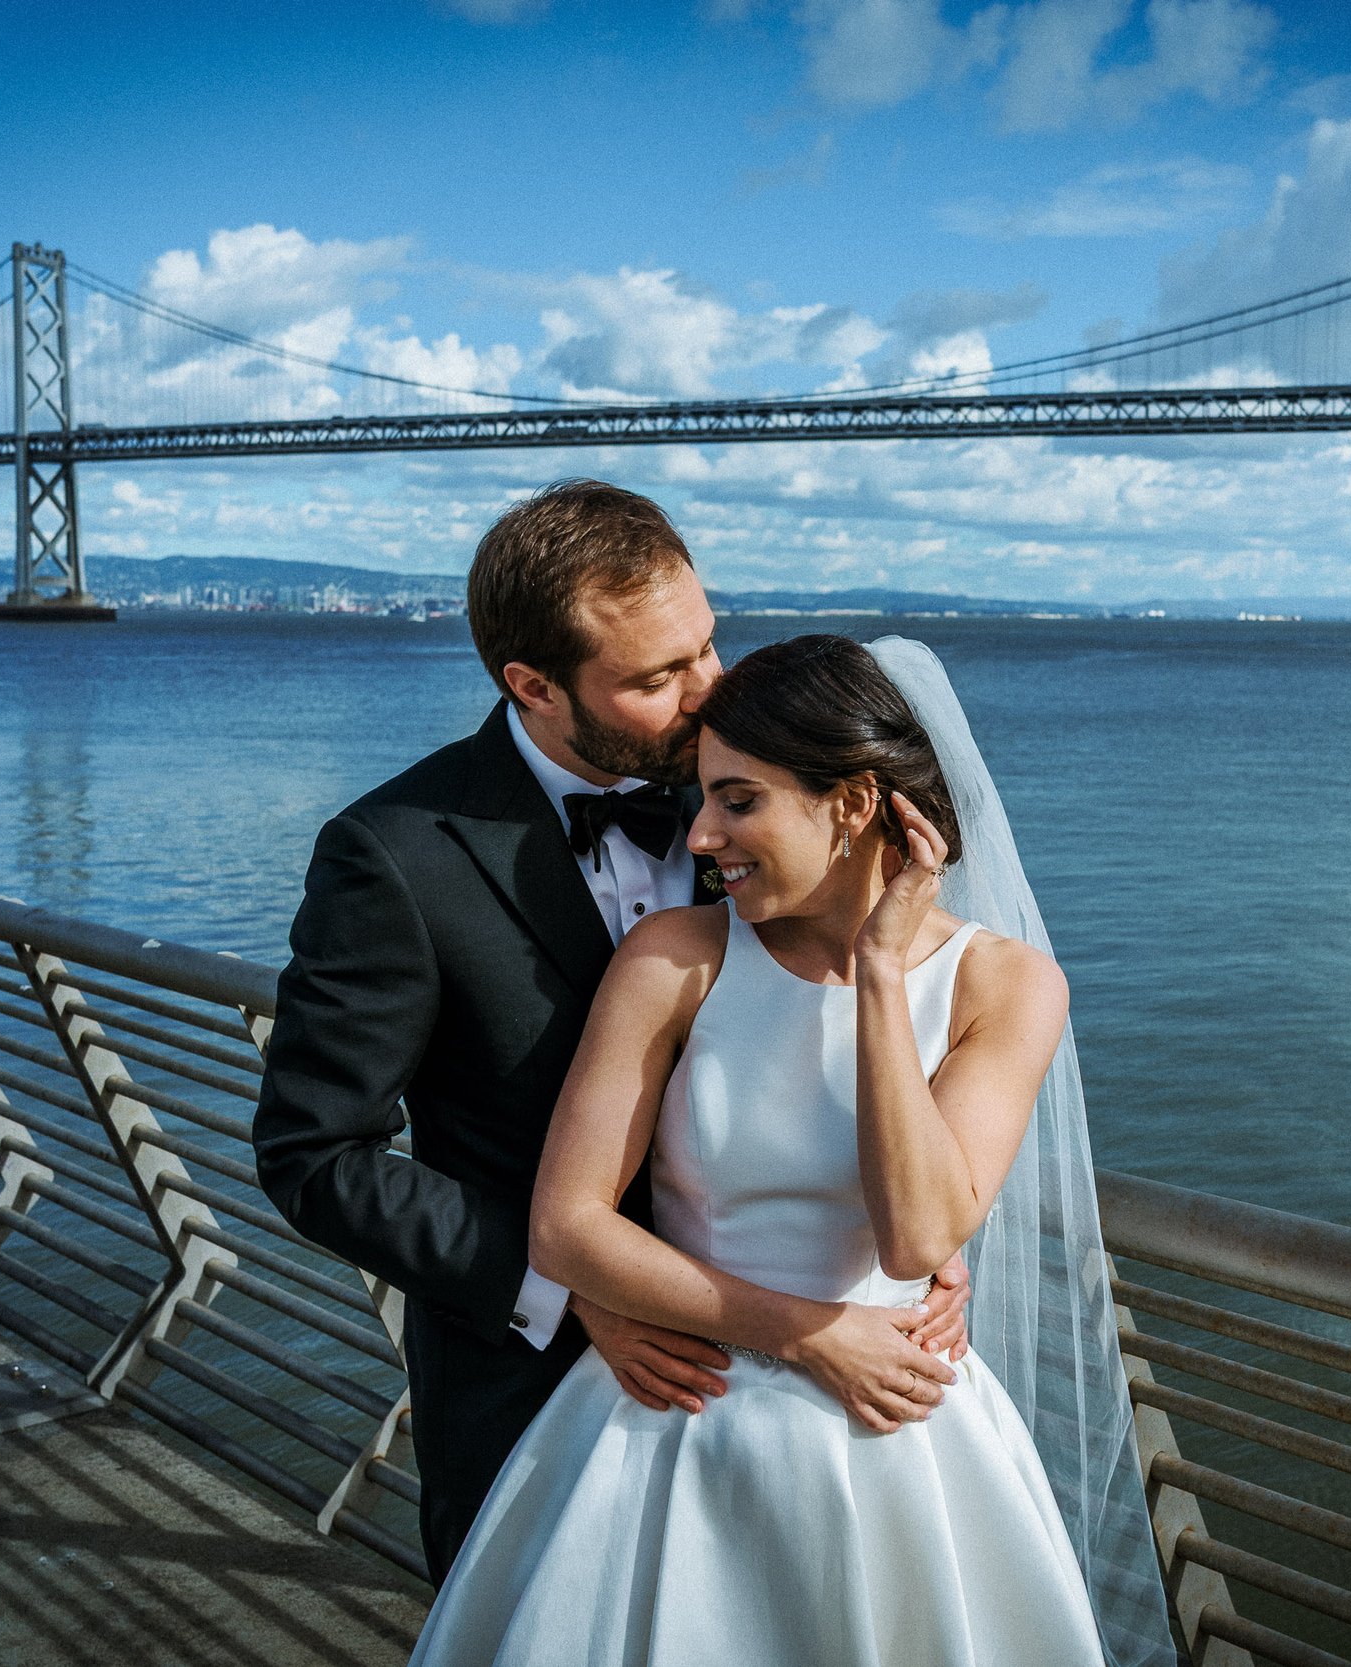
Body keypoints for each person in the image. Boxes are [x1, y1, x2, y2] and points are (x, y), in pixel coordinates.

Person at [251, 482, 969, 1583]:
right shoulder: (392, 856)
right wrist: (575, 1284)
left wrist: (905, 1231)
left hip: (823, 1407)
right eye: (655, 678)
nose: (707, 694)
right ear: (531, 685)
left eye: (707, 646)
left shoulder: (764, 794)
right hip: (533, 1388)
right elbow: (315, 1155)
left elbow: (836, 1033)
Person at [408, 634, 1174, 1667]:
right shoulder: (671, 959)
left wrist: (879, 976)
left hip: (900, 1442)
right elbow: (566, 1225)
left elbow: (915, 1240)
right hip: (675, 1423)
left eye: (737, 799)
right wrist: (812, 1332)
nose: (703, 833)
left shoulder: (1011, 985)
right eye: (704, 798)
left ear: (853, 803)